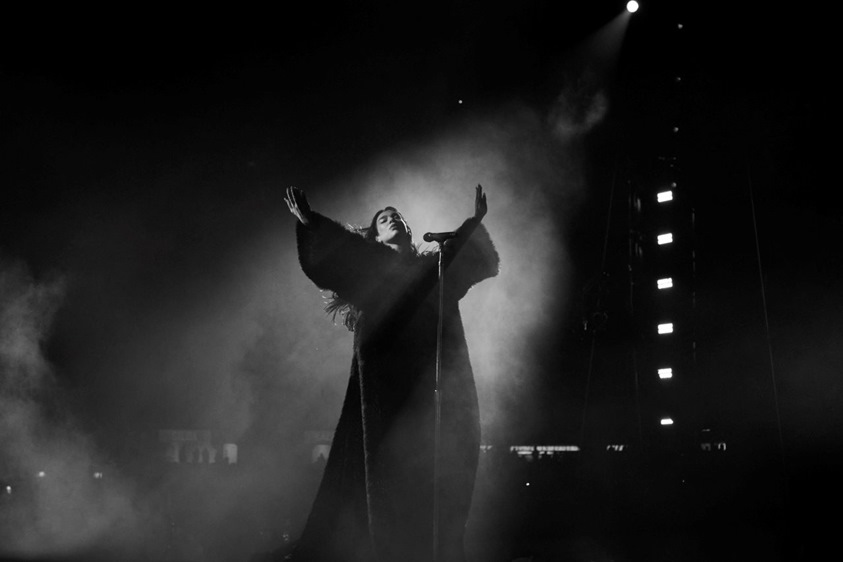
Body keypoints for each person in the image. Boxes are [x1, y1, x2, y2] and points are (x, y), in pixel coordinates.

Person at [281, 184, 499, 562]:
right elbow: (335, 258)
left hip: (430, 379)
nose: (392, 219)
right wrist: (311, 222)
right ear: (377, 235)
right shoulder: (368, 267)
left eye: (397, 216)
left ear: (410, 231)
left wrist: (474, 222)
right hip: (383, 380)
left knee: (434, 463)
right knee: (384, 464)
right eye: (383, 219)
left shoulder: (433, 269)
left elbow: (471, 263)